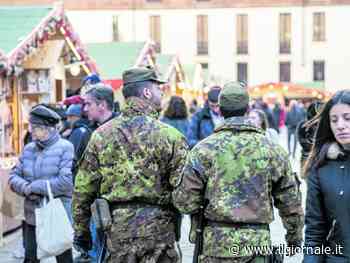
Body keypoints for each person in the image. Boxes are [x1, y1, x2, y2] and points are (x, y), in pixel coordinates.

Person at [173, 81, 304, 263]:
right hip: (256, 246)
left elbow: (184, 202)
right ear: (247, 108)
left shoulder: (203, 150)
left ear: (220, 109)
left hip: (215, 246)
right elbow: (291, 202)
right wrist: (294, 240)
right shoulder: (272, 149)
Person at [72, 67, 189, 263]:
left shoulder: (101, 135)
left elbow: (83, 190)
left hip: (118, 233)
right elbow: (184, 192)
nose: (162, 93)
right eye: (158, 89)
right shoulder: (171, 137)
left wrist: (82, 233)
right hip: (160, 233)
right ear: (147, 92)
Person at [8, 104, 74, 263]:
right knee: (30, 257)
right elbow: (13, 176)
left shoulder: (65, 147)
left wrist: (35, 187)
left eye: (35, 128)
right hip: (31, 214)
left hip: (56, 213)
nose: (31, 131)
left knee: (63, 256)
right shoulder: (29, 148)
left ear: (47, 129)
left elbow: (65, 183)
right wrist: (25, 188)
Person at [303, 90, 350, 262]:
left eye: (347, 118)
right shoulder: (321, 168)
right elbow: (315, 232)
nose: (341, 125)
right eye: (334, 120)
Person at [63, 104, 92, 184]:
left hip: (77, 178)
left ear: (77, 117)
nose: (68, 120)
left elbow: (71, 158)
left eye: (70, 117)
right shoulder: (85, 129)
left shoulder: (79, 132)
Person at [296, 101, 323, 176]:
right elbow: (305, 144)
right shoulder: (304, 125)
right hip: (308, 159)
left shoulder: (325, 125)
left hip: (321, 160)